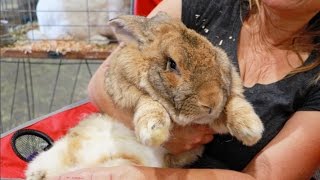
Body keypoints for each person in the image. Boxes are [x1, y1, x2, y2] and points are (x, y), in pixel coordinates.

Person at [69, 0, 320, 179]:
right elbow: (101, 84)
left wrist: (141, 176)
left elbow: (265, 177)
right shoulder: (205, 5)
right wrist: (162, 132)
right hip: (132, 153)